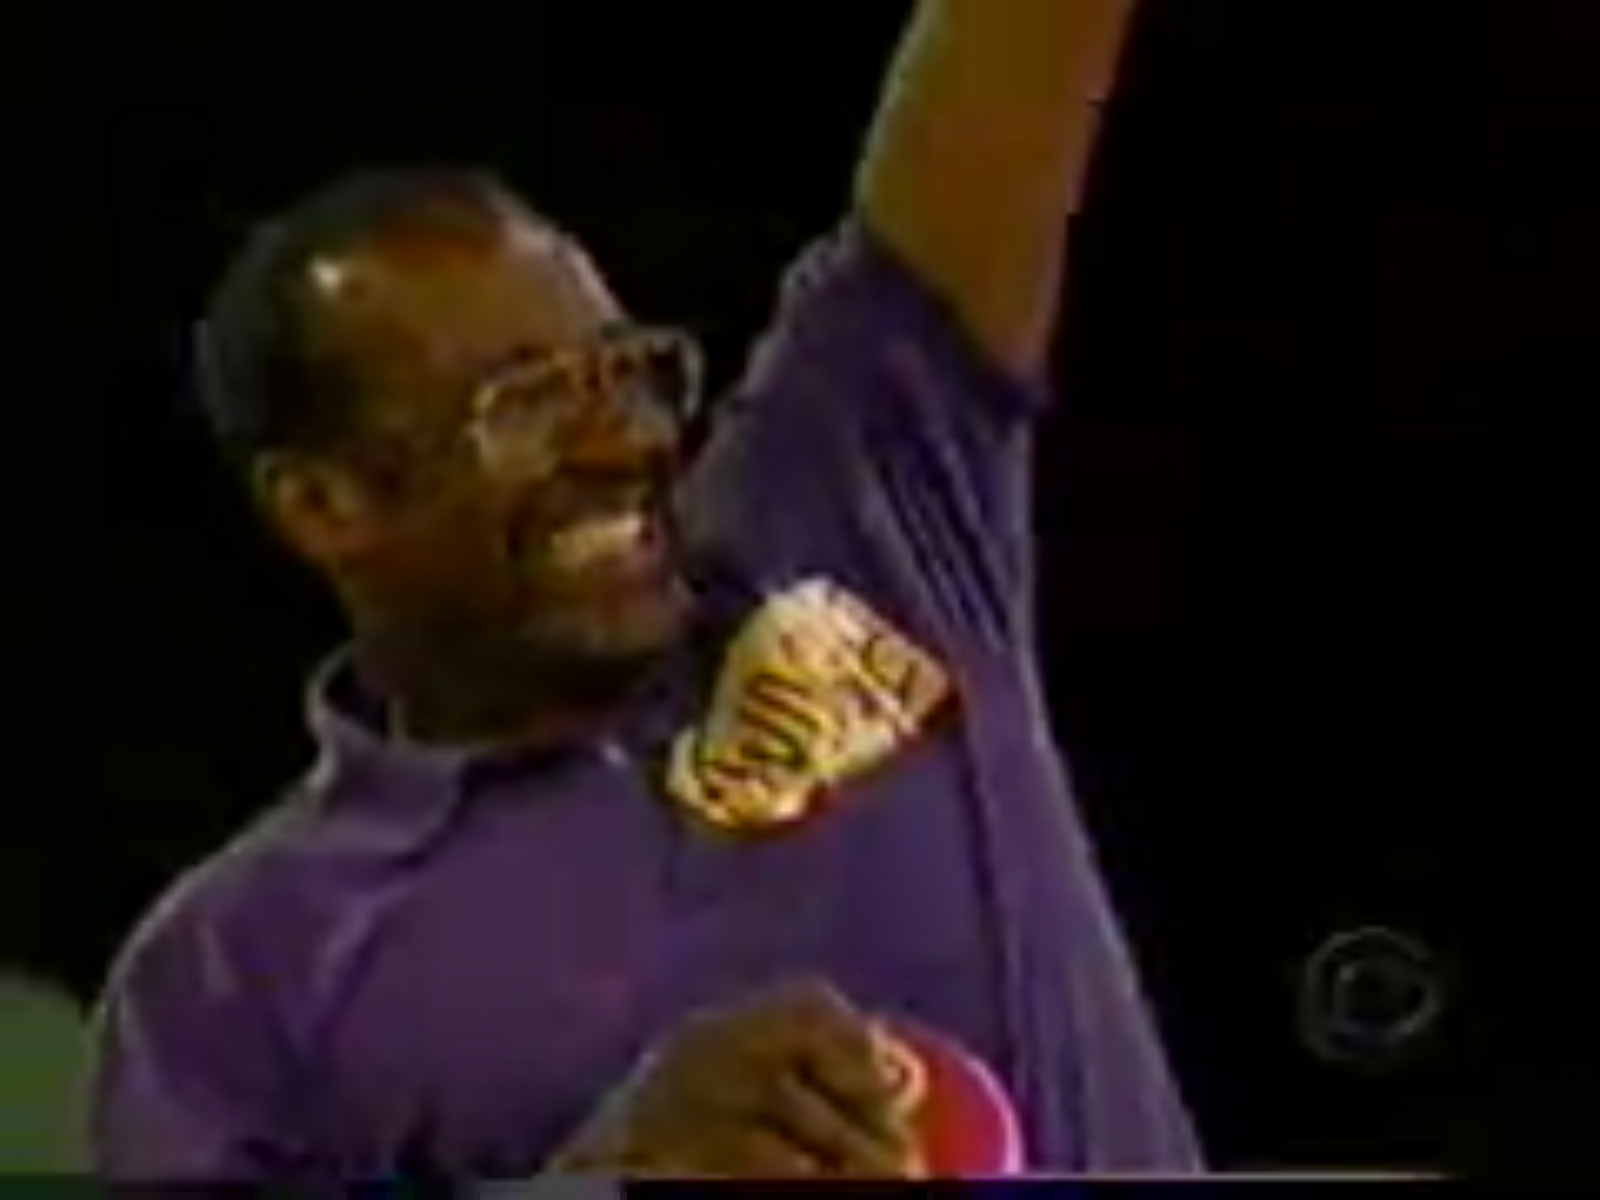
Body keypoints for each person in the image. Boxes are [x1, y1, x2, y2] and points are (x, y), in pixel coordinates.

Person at [91, 0, 1201, 1180]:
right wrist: (610, 1176)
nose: (621, 445)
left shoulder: (848, 508)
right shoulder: (236, 977)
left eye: (625, 374)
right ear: (325, 506)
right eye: (524, 405)